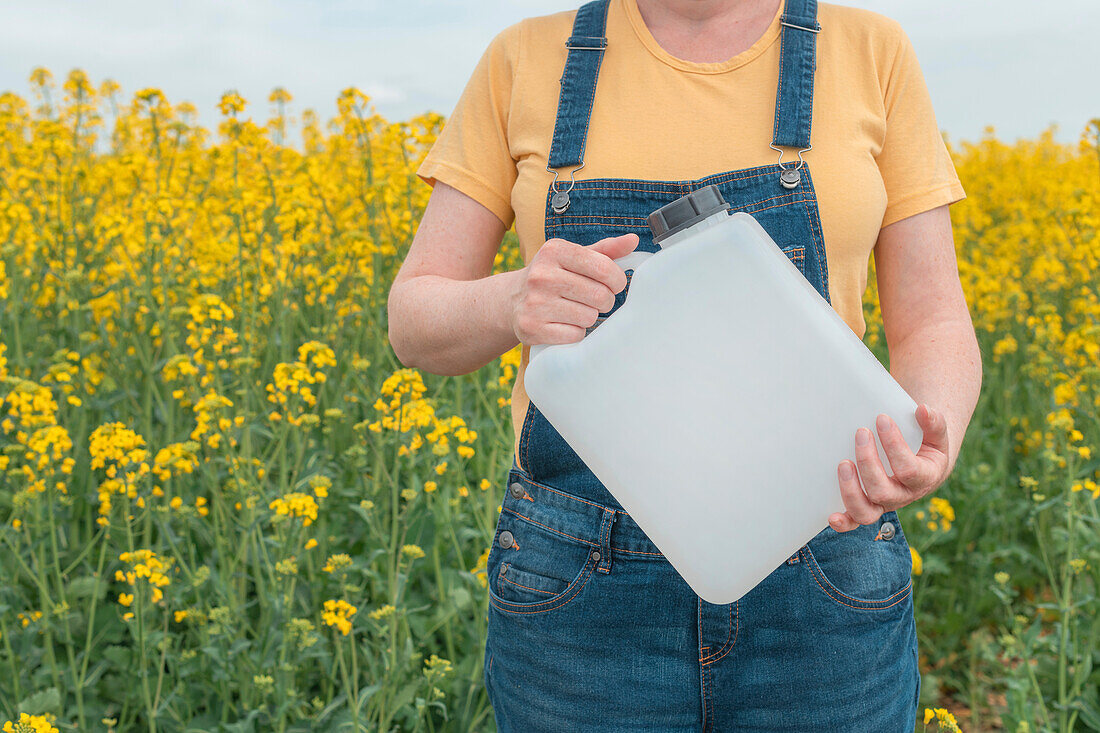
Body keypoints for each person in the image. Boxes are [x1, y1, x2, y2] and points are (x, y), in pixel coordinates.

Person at [388, 0, 982, 728]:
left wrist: (930, 435)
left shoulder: (869, 50)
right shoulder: (523, 59)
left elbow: (935, 318)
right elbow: (413, 322)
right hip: (578, 588)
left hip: (826, 563)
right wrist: (515, 299)